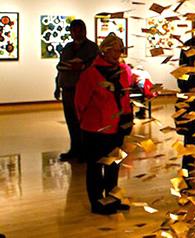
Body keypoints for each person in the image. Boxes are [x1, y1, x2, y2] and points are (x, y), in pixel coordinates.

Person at [75, 34, 133, 215]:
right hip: (95, 128)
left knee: (113, 165)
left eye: (120, 50)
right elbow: (80, 102)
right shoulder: (91, 73)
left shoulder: (124, 71)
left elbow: (125, 96)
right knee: (95, 167)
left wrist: (127, 118)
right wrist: (87, 122)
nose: (117, 54)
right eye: (114, 50)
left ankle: (112, 199)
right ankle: (97, 203)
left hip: (117, 126)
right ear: (104, 50)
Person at [54, 19, 99, 161]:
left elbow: (95, 67)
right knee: (71, 121)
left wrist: (82, 66)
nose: (77, 33)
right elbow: (60, 67)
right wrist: (57, 86)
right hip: (67, 88)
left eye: (79, 30)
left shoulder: (92, 48)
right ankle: (74, 149)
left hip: (83, 90)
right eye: (74, 31)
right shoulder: (67, 47)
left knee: (83, 121)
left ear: (84, 31)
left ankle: (85, 151)